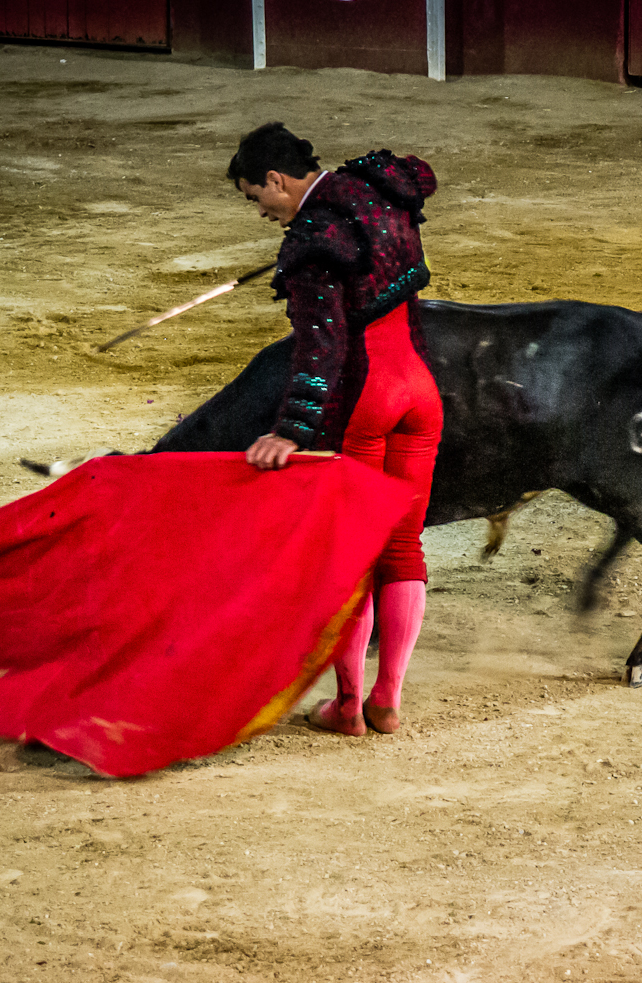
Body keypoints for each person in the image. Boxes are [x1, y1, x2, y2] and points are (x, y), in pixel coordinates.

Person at [230, 122, 441, 737]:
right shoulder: (380, 189)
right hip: (421, 392)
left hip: (366, 402)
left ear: (276, 179)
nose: (261, 211)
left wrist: (292, 428)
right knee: (403, 546)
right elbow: (416, 181)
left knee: (351, 557)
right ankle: (388, 698)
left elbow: (320, 347)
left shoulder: (312, 242)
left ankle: (349, 706)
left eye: (256, 197)